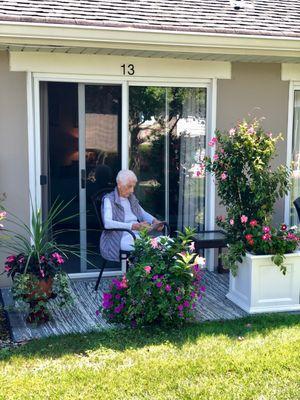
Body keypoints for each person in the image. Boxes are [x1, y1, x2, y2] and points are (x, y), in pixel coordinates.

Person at [100, 169, 164, 262]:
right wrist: (133, 226)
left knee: (166, 242)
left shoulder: (131, 198)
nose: (132, 190)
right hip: (120, 237)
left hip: (136, 235)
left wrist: (155, 221)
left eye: (133, 187)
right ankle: (146, 274)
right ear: (119, 184)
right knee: (153, 246)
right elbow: (107, 223)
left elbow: (143, 213)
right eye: (129, 186)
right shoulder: (109, 200)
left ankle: (155, 274)